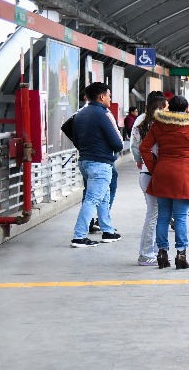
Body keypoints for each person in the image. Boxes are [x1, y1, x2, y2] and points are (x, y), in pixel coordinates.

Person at [141, 95, 189, 269]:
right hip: (183, 173)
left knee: (163, 216)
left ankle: (162, 253)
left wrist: (154, 167)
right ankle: (181, 255)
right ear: (186, 109)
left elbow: (144, 147)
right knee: (180, 217)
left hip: (162, 172)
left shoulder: (158, 124)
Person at [70, 81, 124, 248]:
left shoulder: (80, 114)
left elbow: (76, 140)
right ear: (101, 97)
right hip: (100, 163)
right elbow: (117, 143)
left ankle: (107, 231)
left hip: (85, 161)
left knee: (104, 197)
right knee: (92, 199)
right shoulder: (102, 114)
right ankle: (79, 236)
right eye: (109, 96)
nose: (109, 99)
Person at [130, 91, 167, 266]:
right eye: (166, 106)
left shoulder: (140, 121)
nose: (168, 109)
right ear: (160, 106)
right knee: (154, 214)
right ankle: (146, 254)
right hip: (154, 173)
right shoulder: (160, 123)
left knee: (155, 213)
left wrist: (139, 160)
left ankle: (155, 251)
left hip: (145, 173)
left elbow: (134, 145)